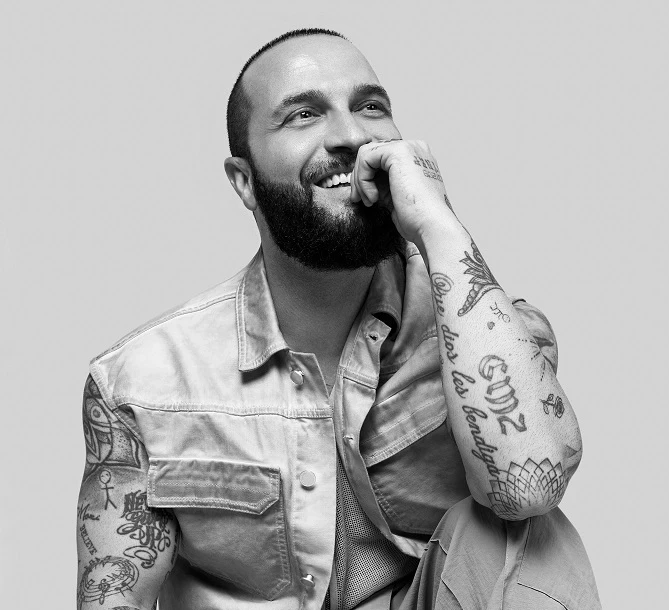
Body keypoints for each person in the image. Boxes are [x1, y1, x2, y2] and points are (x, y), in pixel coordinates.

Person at [75, 28, 601, 610]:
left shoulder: (488, 334)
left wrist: (438, 227)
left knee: (523, 536)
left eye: (370, 107)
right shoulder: (142, 383)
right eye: (303, 115)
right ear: (244, 181)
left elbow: (530, 488)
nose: (352, 136)